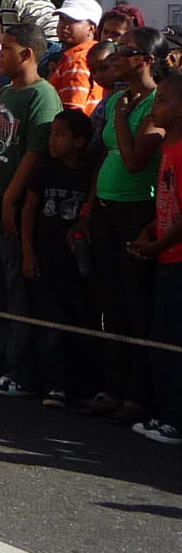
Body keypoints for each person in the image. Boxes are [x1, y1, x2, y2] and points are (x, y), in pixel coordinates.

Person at [0, 24, 62, 397]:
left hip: (12, 212)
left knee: (17, 292)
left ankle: (19, 369)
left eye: (7, 50)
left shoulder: (43, 96)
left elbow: (35, 153)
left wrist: (9, 200)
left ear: (27, 54)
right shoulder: (3, 92)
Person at [83, 27, 167, 423]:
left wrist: (119, 115)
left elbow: (135, 160)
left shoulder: (157, 101)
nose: (115, 56)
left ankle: (138, 393)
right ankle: (112, 386)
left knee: (136, 303)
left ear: (147, 60)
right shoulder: (117, 96)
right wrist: (89, 203)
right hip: (105, 207)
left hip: (137, 211)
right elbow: (104, 155)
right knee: (110, 300)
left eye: (125, 51)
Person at [21, 108, 97, 408]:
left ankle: (79, 384)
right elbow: (29, 208)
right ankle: (52, 383)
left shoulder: (89, 172)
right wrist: (28, 252)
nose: (52, 140)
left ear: (79, 142)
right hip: (45, 256)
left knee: (78, 319)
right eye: (51, 133)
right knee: (50, 321)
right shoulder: (43, 168)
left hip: (76, 262)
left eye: (60, 135)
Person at [127, 71, 182, 444]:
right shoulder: (168, 148)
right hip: (165, 256)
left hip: (177, 261)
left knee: (171, 343)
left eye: (162, 101)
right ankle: (164, 412)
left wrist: (159, 245)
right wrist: (150, 231)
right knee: (159, 339)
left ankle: (173, 420)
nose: (155, 107)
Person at [48, 0, 103, 115]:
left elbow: (73, 112)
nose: (64, 25)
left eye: (73, 20)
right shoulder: (92, 54)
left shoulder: (77, 60)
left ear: (91, 28)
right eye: (62, 19)